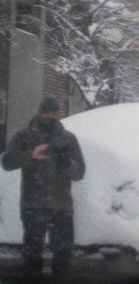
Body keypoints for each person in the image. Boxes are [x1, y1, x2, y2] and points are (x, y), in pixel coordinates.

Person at [1, 97, 86, 276]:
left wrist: (66, 164)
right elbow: (7, 162)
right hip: (33, 205)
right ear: (40, 112)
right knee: (31, 258)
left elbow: (79, 173)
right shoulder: (24, 136)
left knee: (63, 259)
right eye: (47, 112)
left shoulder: (68, 139)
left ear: (59, 114)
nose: (51, 116)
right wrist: (30, 155)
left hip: (61, 206)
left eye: (55, 113)